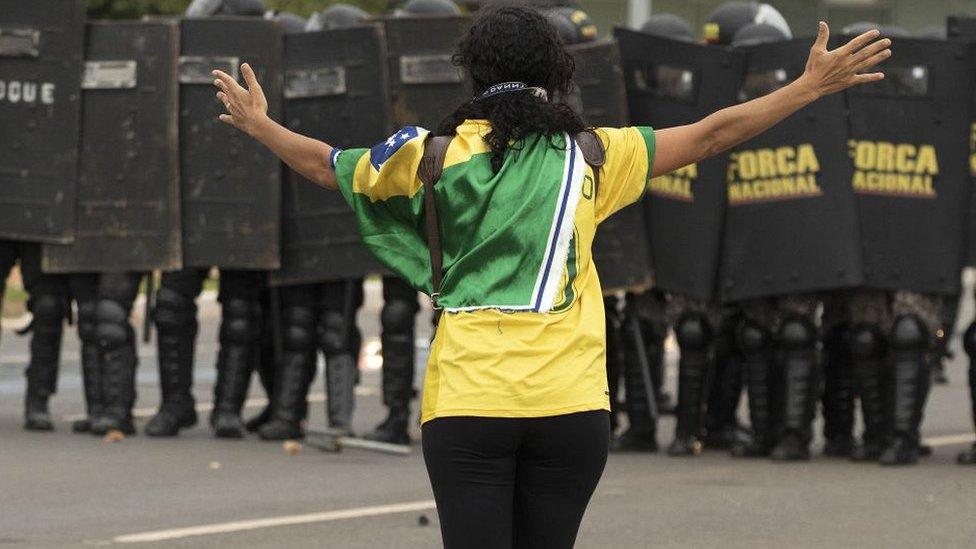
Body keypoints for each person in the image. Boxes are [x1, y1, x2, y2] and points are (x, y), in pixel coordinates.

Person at [213, 7, 888, 546]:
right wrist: (807, 86)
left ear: (473, 77)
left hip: (468, 405)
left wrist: (259, 123)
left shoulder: (430, 155)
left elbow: (323, 165)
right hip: (572, 407)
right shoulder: (595, 155)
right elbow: (712, 134)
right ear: (557, 75)